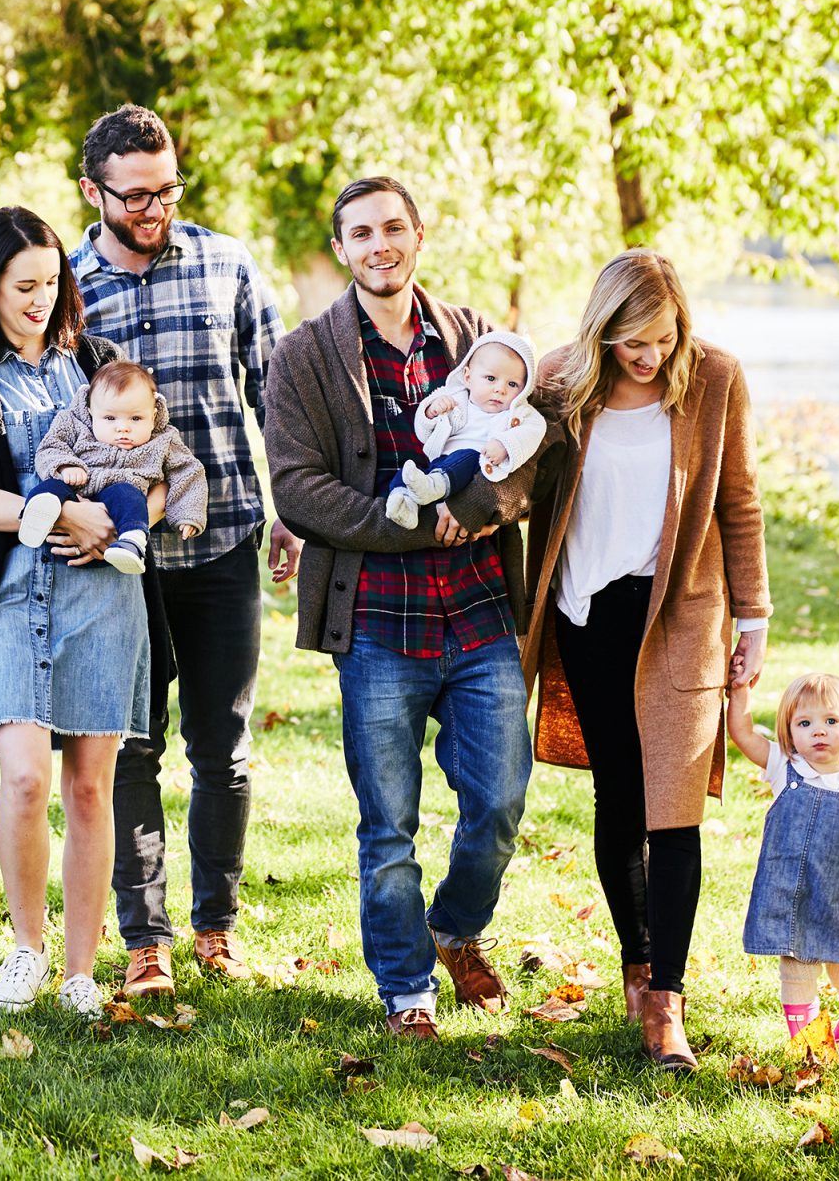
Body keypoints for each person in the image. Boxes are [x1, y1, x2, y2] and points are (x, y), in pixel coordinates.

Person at [264, 177, 553, 1038]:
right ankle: (406, 988)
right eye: (361, 232)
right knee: (388, 821)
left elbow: (530, 455)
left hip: (479, 611)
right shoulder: (305, 355)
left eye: (394, 227)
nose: (379, 244)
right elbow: (299, 488)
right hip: (378, 622)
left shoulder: (476, 340)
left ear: (418, 236)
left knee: (500, 798)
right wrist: (417, 530)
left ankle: (455, 927)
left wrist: (473, 514)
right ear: (342, 246)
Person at [522, 247, 770, 1070]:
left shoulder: (714, 381)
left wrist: (755, 619)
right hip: (586, 617)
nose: (649, 355)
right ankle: (634, 963)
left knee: (674, 808)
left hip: (680, 618)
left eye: (662, 339)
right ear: (604, 330)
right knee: (619, 798)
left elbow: (739, 501)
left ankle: (668, 1001)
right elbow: (506, 471)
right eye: (633, 340)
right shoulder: (559, 382)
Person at [70, 104, 298, 996]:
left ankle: (216, 925)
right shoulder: (67, 283)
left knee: (223, 747)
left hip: (224, 538)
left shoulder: (227, 263)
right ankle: (145, 940)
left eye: (167, 188)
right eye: (134, 194)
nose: (153, 206)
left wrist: (293, 511)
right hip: (116, 558)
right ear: (93, 191)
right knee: (128, 746)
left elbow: (278, 395)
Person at [0, 206, 168, 1020]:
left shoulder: (97, 363)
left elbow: (158, 469)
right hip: (9, 594)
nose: (40, 298)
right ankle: (26, 949)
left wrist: (129, 525)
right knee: (25, 780)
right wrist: (70, 516)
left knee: (91, 790)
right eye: (22, 284)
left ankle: (79, 970)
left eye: (51, 281)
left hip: (103, 595)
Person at [729, 672, 839, 1047]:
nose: (819, 732)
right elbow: (743, 734)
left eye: (831, 721)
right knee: (795, 973)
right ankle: (809, 1045)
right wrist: (741, 689)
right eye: (805, 723)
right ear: (789, 732)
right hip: (790, 899)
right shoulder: (783, 768)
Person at [18, 358, 208, 575]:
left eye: (136, 418)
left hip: (114, 533)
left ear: (153, 415)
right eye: (110, 418)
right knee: (52, 487)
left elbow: (188, 470)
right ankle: (35, 516)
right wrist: (65, 466)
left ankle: (132, 542)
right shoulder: (74, 423)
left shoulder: (164, 440)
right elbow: (50, 447)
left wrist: (188, 513)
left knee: (127, 493)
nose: (123, 428)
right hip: (74, 503)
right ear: (90, 411)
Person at [385, 329, 546, 529]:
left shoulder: (519, 415)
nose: (500, 389)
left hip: (473, 470)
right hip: (439, 464)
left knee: (468, 456)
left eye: (512, 384)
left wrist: (506, 445)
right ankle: (403, 503)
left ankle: (433, 486)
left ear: (524, 389)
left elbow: (534, 431)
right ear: (468, 377)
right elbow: (424, 433)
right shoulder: (457, 400)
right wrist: (431, 412)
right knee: (409, 471)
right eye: (490, 378)